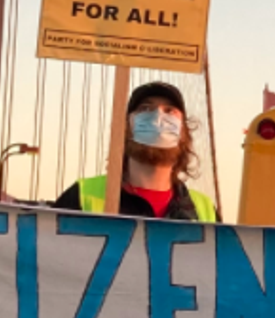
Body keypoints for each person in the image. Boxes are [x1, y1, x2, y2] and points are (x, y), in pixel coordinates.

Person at [53, 81, 217, 222]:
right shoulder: (81, 196)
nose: (157, 118)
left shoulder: (205, 211)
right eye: (145, 109)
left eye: (169, 111)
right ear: (125, 127)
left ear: (184, 133)